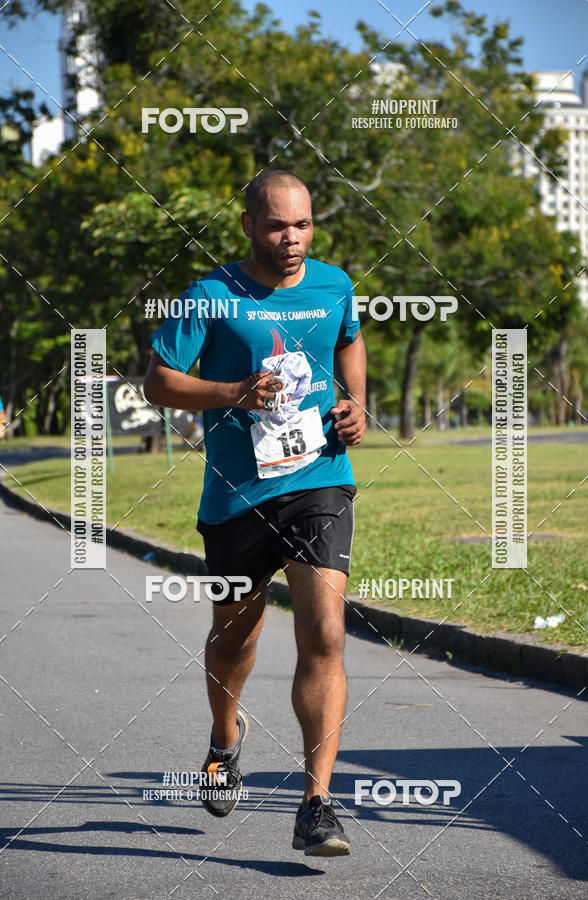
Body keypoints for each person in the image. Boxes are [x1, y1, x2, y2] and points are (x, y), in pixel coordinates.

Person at [144, 170, 366, 857]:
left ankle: (316, 804)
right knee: (234, 641)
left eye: (302, 224)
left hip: (319, 481)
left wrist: (356, 402)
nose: (292, 238)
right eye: (276, 225)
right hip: (237, 495)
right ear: (247, 226)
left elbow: (349, 339)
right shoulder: (209, 296)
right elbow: (158, 381)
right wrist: (232, 392)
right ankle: (224, 738)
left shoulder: (333, 284)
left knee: (325, 632)